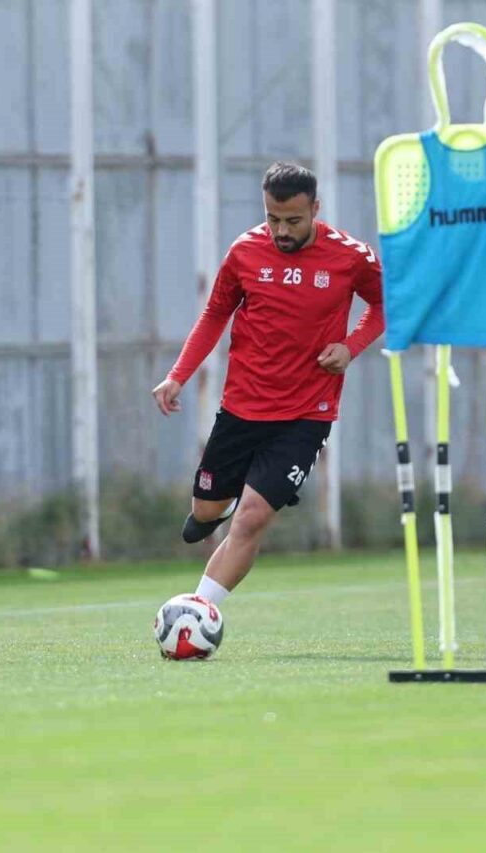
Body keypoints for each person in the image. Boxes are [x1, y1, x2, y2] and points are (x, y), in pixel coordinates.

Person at [150, 161, 384, 607]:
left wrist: (351, 347)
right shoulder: (245, 252)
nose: (281, 231)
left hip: (306, 414)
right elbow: (215, 313)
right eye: (272, 218)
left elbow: (385, 304)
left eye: (293, 220)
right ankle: (237, 494)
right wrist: (178, 375)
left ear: (315, 209)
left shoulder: (352, 256)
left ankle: (199, 613)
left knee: (252, 519)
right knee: (205, 512)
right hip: (243, 407)